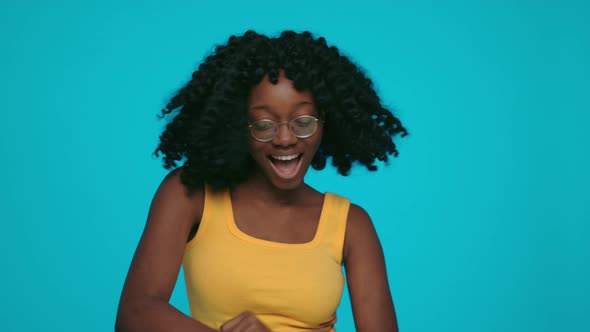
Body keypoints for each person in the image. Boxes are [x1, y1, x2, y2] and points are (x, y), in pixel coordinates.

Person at [115, 30, 408, 332]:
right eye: (264, 124)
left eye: (303, 122)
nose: (285, 139)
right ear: (238, 124)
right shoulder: (190, 194)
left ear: (325, 121)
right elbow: (136, 314)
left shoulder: (351, 225)